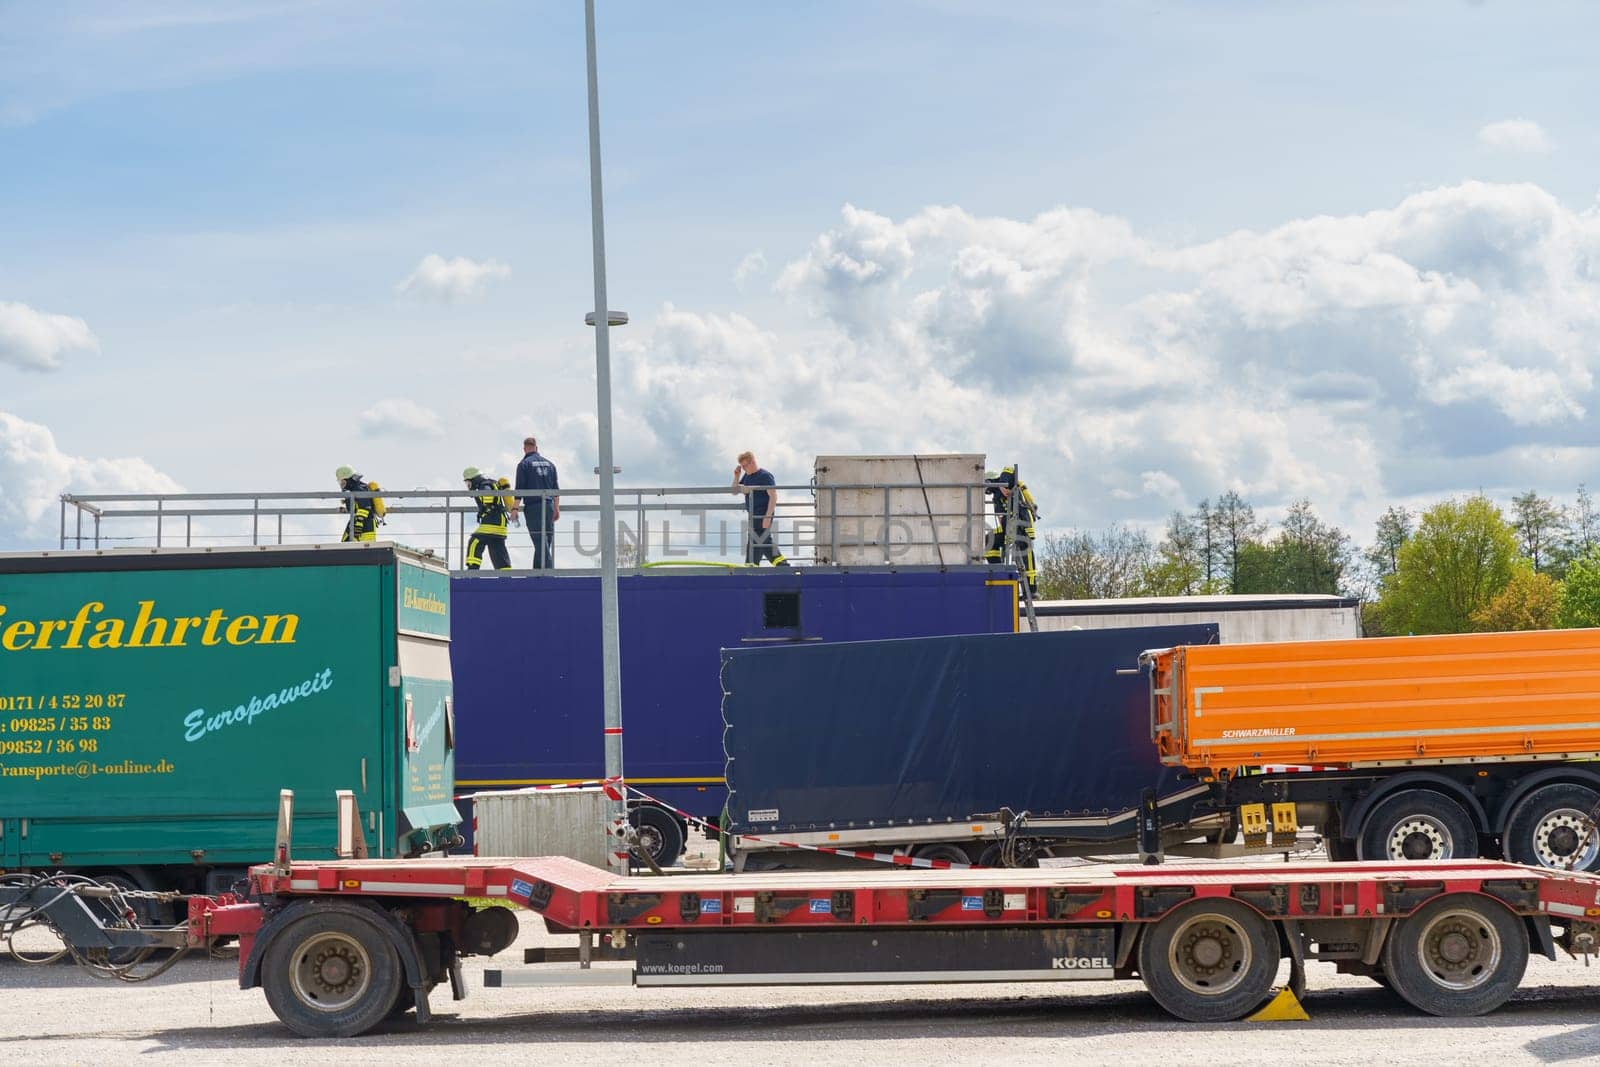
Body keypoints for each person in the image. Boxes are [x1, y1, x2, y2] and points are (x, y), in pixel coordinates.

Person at [985, 464, 1038, 595]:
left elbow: (1009, 470)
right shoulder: (997, 494)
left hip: (1021, 523)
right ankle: (998, 572)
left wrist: (999, 484)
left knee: (1025, 552)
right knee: (989, 540)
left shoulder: (1007, 481)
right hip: (1008, 528)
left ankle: (1031, 588)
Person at [733, 451, 788, 566]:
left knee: (761, 539)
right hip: (753, 515)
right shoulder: (747, 476)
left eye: (744, 466)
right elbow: (734, 491)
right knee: (756, 540)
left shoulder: (765, 476)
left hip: (763, 514)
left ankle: (781, 564)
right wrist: (737, 476)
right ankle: (752, 565)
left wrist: (768, 517)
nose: (743, 468)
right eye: (742, 466)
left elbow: (773, 497)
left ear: (752, 462)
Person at [514, 436, 560, 570]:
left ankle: (549, 572)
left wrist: (515, 509)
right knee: (545, 541)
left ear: (524, 449)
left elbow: (519, 489)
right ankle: (537, 572)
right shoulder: (551, 464)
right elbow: (556, 490)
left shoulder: (524, 465)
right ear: (537, 448)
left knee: (539, 541)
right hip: (549, 505)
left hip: (534, 507)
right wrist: (556, 508)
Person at [462, 466, 514, 571]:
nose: (468, 486)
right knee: (498, 550)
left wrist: (486, 503)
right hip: (500, 524)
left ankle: (472, 570)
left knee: (475, 542)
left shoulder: (484, 485)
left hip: (491, 522)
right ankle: (505, 575)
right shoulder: (492, 483)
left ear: (474, 479)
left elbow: (488, 495)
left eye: (468, 483)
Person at [335, 465, 385, 543]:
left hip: (364, 525)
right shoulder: (355, 489)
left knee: (362, 550)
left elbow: (365, 507)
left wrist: (359, 523)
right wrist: (346, 508)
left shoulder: (359, 489)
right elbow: (358, 507)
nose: (341, 484)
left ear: (349, 479)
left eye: (343, 482)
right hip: (361, 523)